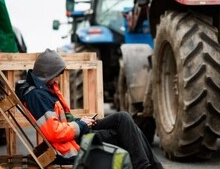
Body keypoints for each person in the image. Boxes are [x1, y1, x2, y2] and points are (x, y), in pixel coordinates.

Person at [15, 48, 163, 169]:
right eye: (56, 75)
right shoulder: (37, 96)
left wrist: (82, 121)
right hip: (73, 142)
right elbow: (54, 133)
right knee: (127, 129)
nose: (57, 79)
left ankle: (150, 167)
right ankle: (148, 167)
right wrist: (81, 125)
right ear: (47, 74)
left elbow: (61, 122)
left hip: (75, 132)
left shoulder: (42, 90)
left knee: (124, 119)